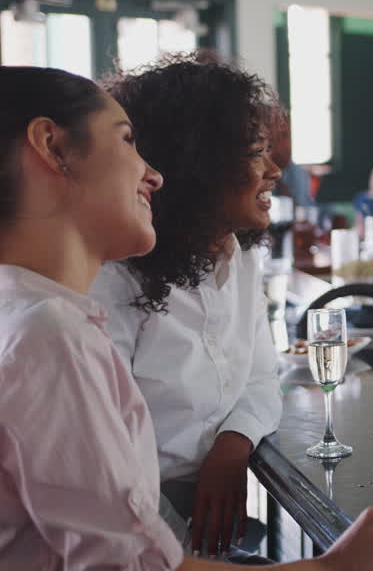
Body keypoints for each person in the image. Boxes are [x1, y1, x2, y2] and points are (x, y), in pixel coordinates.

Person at [0, 65, 373, 569]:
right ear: (52, 147)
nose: (153, 173)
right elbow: (128, 563)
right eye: (127, 140)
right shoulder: (52, 330)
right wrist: (335, 567)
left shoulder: (41, 311)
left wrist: (232, 443)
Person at [88, 57, 284, 557]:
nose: (275, 171)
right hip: (133, 534)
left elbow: (262, 378)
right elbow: (105, 469)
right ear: (199, 165)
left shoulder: (237, 258)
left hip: (205, 526)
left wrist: (231, 445)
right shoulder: (109, 280)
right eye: (258, 153)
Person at [268, 107, 315, 208]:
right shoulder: (258, 173)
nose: (285, 143)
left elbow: (301, 210)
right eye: (276, 136)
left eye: (286, 135)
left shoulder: (300, 173)